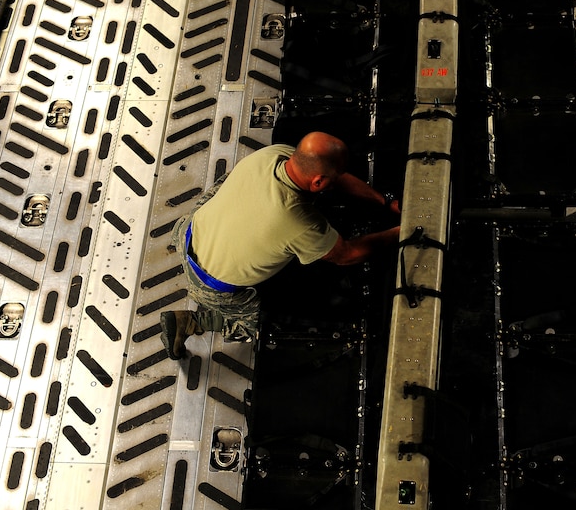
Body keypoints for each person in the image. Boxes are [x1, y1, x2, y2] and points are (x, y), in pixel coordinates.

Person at [160, 131, 400, 360]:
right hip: (209, 282)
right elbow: (346, 255)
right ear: (318, 181)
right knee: (257, 326)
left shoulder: (276, 155)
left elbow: (335, 180)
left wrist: (384, 202)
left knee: (227, 184)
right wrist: (401, 232)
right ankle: (192, 321)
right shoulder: (298, 221)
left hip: (189, 231)